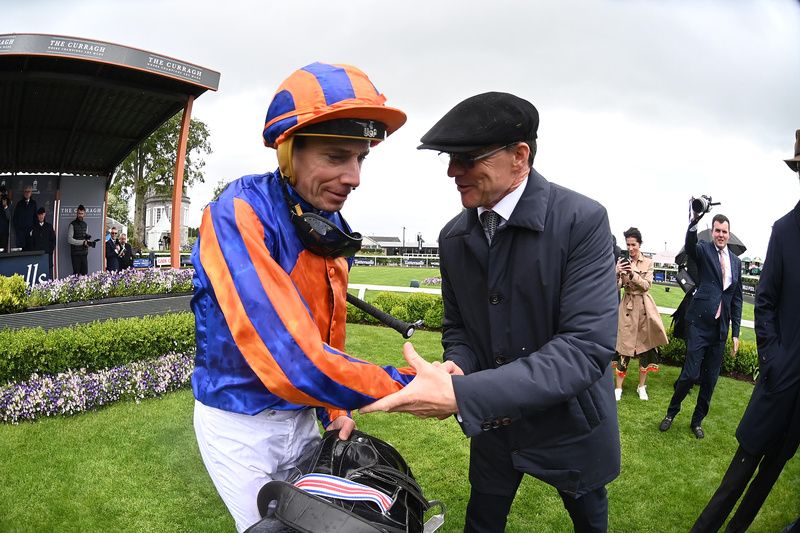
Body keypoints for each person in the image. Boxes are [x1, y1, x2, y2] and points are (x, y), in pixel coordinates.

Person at [362, 92, 621, 533]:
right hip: (496, 428)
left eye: (466, 158)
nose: (451, 171)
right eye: (449, 158)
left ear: (520, 156)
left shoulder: (582, 221)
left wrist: (463, 397)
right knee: (482, 522)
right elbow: (461, 328)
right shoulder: (454, 237)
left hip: (570, 424)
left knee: (590, 522)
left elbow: (584, 348)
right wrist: (456, 366)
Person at [190, 62, 415, 532]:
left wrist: (335, 409)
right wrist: (409, 384)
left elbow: (328, 329)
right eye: (337, 157)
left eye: (361, 159)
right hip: (239, 424)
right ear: (290, 153)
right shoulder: (237, 214)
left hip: (301, 419)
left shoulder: (330, 226)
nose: (354, 177)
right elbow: (290, 357)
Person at [691, 129, 800, 532]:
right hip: (779, 378)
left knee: (772, 474)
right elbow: (766, 302)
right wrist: (773, 356)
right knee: (740, 472)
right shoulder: (786, 230)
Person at [660, 212, 743, 439]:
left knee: (710, 380)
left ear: (729, 233)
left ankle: (697, 421)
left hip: (720, 330)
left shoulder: (736, 263)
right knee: (689, 374)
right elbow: (690, 245)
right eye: (717, 230)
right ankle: (671, 412)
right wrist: (694, 222)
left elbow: (736, 299)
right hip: (699, 324)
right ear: (713, 231)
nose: (720, 235)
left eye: (724, 231)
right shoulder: (704, 250)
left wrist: (735, 333)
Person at [613, 227, 669, 401]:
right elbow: (617, 287)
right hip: (627, 309)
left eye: (633, 244)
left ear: (639, 244)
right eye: (628, 244)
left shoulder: (648, 262)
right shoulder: (622, 261)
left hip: (644, 310)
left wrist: (632, 273)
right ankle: (618, 388)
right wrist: (616, 273)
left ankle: (641, 386)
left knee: (645, 350)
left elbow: (646, 286)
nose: (630, 248)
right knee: (624, 348)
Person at [27, 207, 56, 278]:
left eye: (42, 214)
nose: (41, 216)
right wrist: (34, 252)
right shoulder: (34, 227)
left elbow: (53, 240)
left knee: (49, 274)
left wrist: (50, 251)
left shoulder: (49, 226)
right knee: (38, 273)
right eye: (39, 215)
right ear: (37, 216)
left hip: (47, 254)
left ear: (45, 214)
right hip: (37, 255)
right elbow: (31, 242)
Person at [66, 204, 91, 276]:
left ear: (84, 214)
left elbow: (85, 237)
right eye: (79, 213)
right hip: (75, 254)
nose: (80, 215)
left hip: (84, 253)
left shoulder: (85, 224)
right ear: (77, 213)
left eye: (82, 213)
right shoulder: (72, 224)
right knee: (76, 275)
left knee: (84, 274)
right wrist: (83, 242)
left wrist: (88, 242)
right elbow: (69, 240)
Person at [12, 185, 37, 249]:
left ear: (31, 193)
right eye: (25, 191)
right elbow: (15, 218)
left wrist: (33, 229)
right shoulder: (19, 203)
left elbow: (35, 217)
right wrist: (18, 229)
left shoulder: (34, 203)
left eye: (28, 191)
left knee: (30, 250)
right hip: (21, 233)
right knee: (21, 252)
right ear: (23, 193)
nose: (27, 193)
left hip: (30, 232)